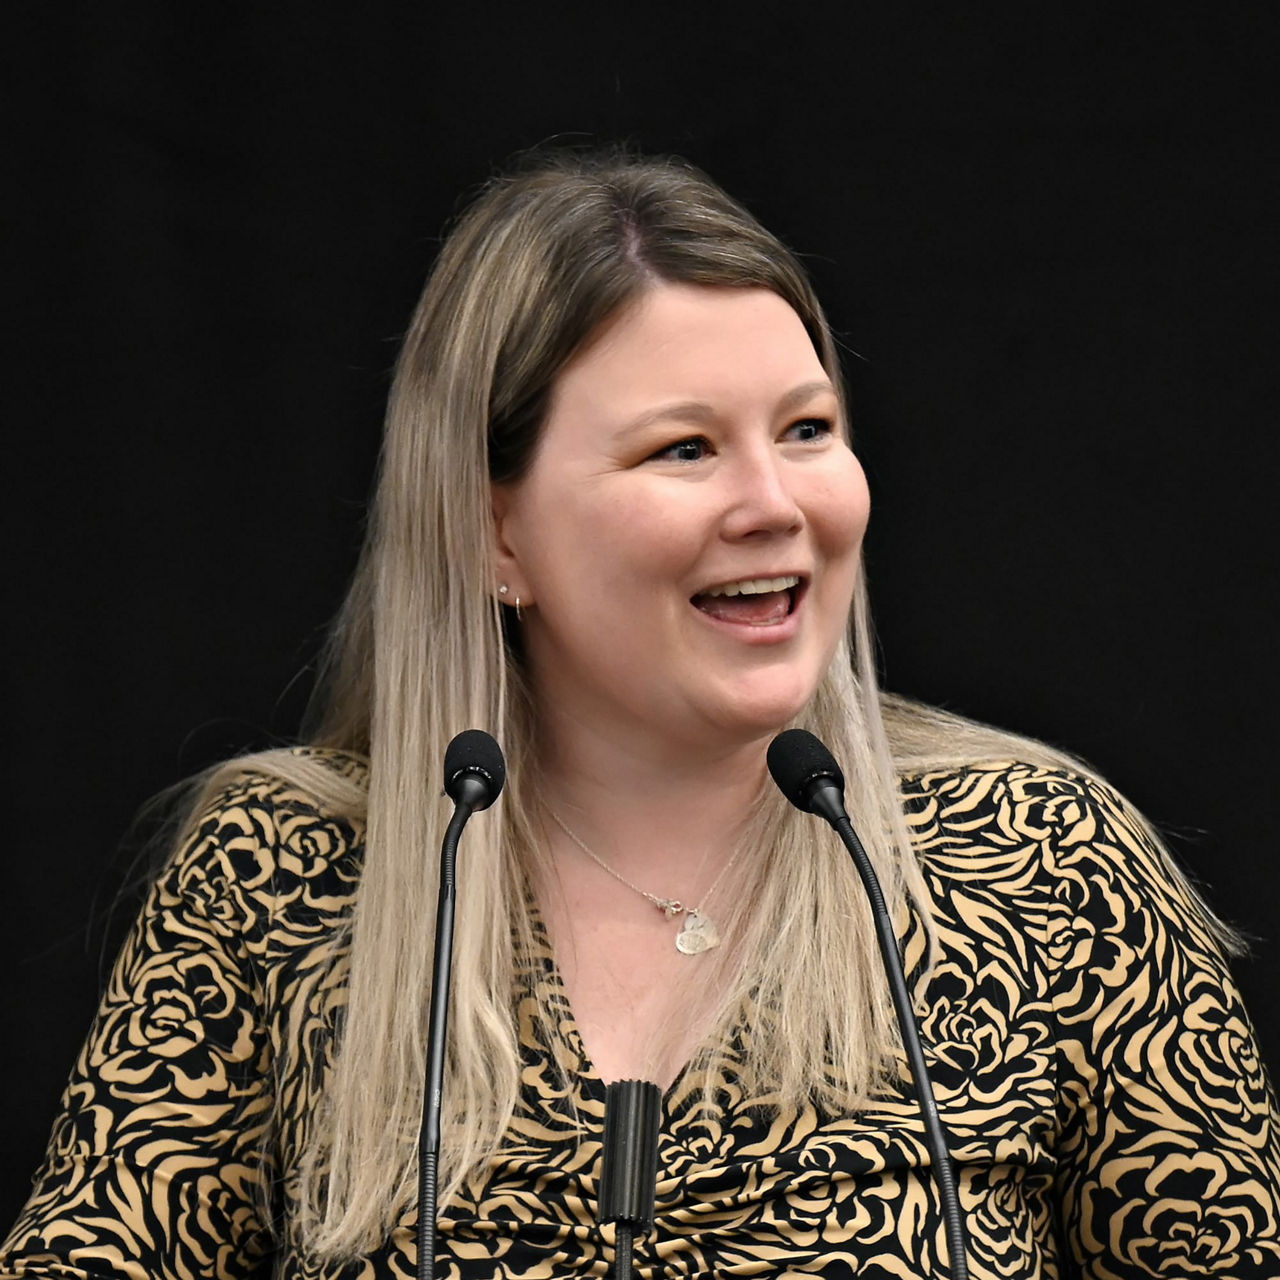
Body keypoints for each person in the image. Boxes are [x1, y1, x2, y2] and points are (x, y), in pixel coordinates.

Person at [3, 149, 1278, 1280]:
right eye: (684, 448)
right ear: (493, 528)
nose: (775, 501)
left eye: (807, 429)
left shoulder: (1043, 860)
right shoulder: (282, 872)